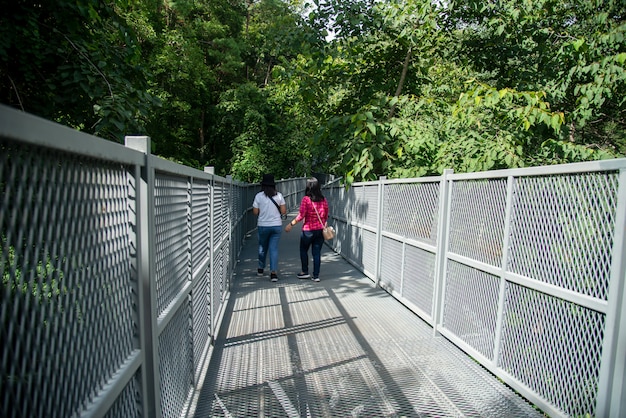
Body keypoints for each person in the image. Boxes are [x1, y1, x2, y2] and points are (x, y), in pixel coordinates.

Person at [284, 177, 328, 282]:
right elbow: (326, 215)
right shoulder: (323, 200)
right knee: (316, 253)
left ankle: (304, 271)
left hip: (308, 230)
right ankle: (316, 275)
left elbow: (301, 215)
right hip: (320, 230)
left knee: (303, 250)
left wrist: (291, 224)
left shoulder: (306, 199)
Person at [253, 174, 287, 282]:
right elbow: (283, 211)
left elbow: (255, 212)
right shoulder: (279, 196)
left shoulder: (259, 196)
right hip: (276, 225)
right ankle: (273, 273)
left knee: (262, 247)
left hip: (263, 225)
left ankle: (260, 269)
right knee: (274, 249)